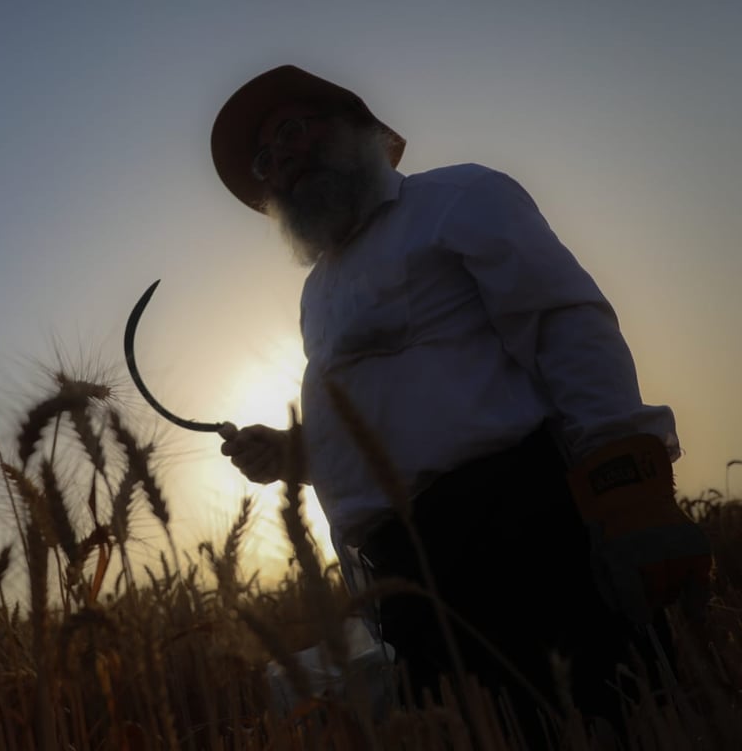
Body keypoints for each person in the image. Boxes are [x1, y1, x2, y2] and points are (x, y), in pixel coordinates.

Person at [211, 64, 711, 740]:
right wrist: (297, 453)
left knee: (591, 722)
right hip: (396, 582)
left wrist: (629, 486)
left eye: (293, 130)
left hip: (516, 533)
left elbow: (566, 324)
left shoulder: (457, 197)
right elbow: (395, 409)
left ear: (357, 129)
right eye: (265, 159)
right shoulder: (317, 295)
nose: (281, 160)